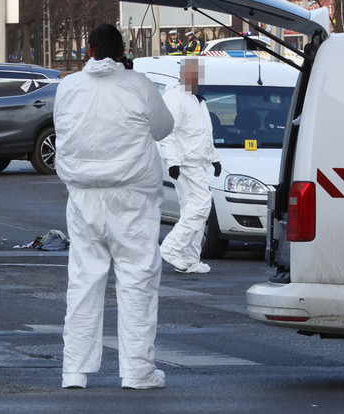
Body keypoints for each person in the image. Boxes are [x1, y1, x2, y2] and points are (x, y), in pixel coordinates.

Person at [53, 23, 174, 390]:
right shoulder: (138, 85)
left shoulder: (68, 87)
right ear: (122, 52)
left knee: (84, 281)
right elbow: (164, 128)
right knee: (137, 280)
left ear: (88, 50)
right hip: (132, 198)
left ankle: (74, 371)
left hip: (84, 197)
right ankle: (137, 371)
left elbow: (64, 129)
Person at [159, 57, 221, 274]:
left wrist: (214, 157)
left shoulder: (197, 100)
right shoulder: (175, 98)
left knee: (193, 211)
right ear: (182, 75)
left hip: (197, 163)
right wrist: (173, 162)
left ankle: (189, 259)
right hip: (186, 164)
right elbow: (168, 133)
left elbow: (204, 133)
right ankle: (172, 248)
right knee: (201, 205)